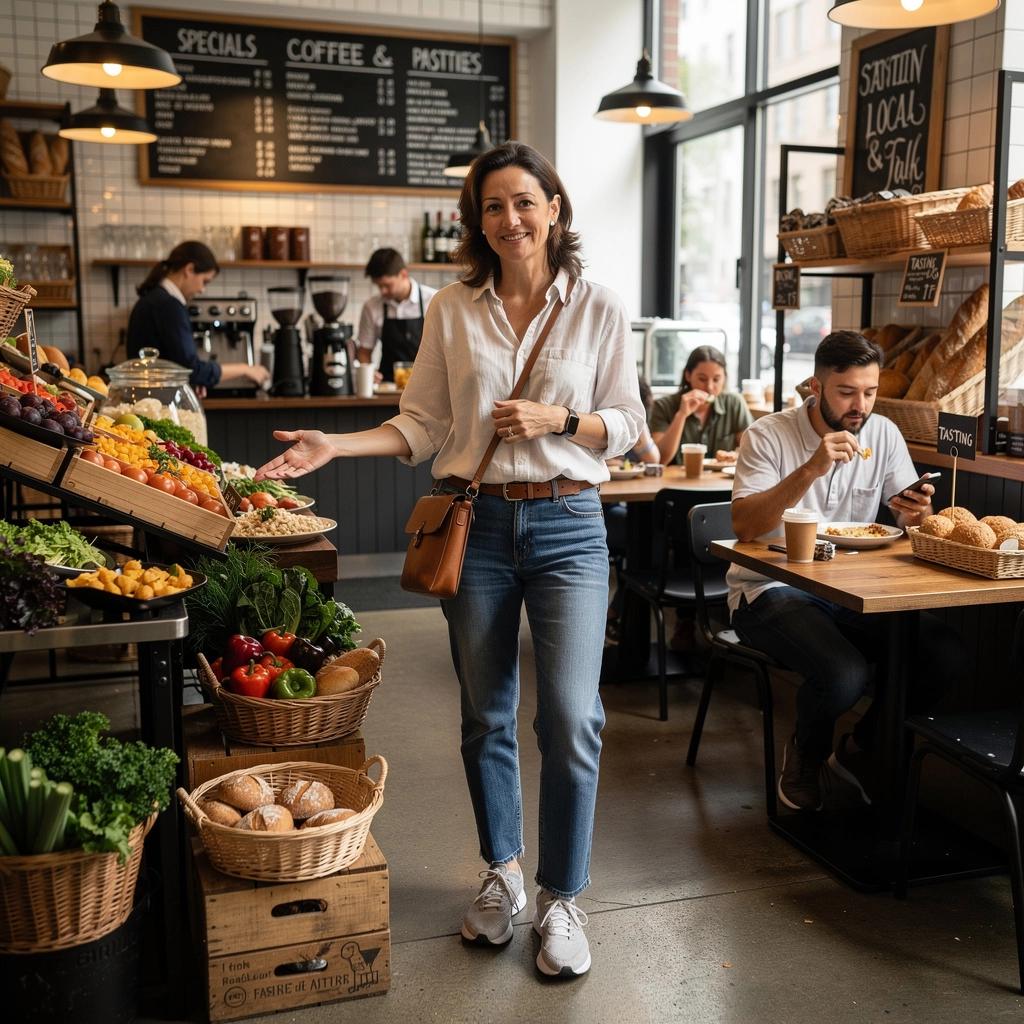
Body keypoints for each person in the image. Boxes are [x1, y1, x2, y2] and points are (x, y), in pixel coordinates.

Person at [255, 141, 644, 978]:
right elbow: (425, 425)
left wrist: (559, 421)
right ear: (478, 221)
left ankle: (562, 897)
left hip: (570, 523)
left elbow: (628, 424)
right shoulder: (452, 309)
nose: (510, 219)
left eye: (524, 202)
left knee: (571, 717)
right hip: (478, 529)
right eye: (493, 206)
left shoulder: (600, 306)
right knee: (486, 714)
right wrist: (338, 444)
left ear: (555, 208)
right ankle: (503, 874)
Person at [728, 331, 968, 812]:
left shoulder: (883, 433)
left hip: (854, 590)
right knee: (843, 673)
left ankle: (860, 750)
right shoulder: (768, 434)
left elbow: (909, 518)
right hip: (769, 588)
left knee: (945, 653)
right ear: (816, 387)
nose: (861, 406)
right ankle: (807, 756)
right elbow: (745, 527)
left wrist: (916, 510)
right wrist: (810, 469)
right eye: (846, 392)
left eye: (870, 392)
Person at [127, 241, 269, 395]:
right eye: (204, 281)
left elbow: (178, 366)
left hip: (147, 397)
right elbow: (191, 370)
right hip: (159, 401)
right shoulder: (169, 306)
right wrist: (245, 369)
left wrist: (192, 382)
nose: (202, 289)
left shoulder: (153, 299)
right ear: (189, 269)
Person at [649, 345, 751, 467]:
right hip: (676, 478)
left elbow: (752, 450)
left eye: (716, 379)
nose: (709, 387)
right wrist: (681, 415)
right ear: (688, 375)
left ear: (724, 378)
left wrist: (735, 455)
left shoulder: (734, 403)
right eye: (702, 379)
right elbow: (660, 460)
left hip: (722, 479)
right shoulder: (662, 406)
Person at [355, 248, 437, 382]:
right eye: (379, 286)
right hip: (387, 385)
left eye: (387, 285)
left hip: (428, 385)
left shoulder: (433, 300)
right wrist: (370, 373)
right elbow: (364, 351)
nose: (383, 291)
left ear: (403, 274)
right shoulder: (371, 307)